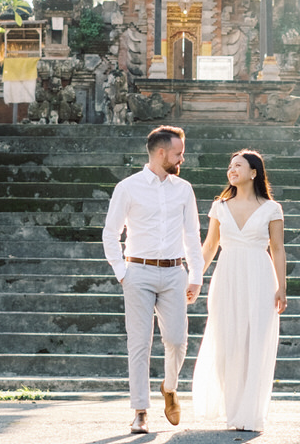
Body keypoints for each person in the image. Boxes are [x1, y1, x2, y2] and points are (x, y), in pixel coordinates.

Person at [101, 125, 204, 434]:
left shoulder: (183, 188)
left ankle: (169, 387)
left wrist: (196, 275)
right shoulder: (128, 187)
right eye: (178, 153)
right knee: (139, 343)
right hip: (138, 272)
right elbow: (110, 233)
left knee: (177, 340)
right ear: (162, 153)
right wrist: (122, 273)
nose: (182, 159)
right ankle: (140, 411)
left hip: (174, 273)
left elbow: (192, 234)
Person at [191, 149, 287, 432]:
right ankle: (234, 411)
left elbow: (278, 249)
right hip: (227, 276)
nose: (231, 170)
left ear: (254, 172)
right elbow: (209, 247)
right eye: (230, 166)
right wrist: (195, 279)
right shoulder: (220, 206)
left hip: (260, 275)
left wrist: (282, 287)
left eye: (238, 166)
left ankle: (251, 412)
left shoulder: (272, 208)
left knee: (255, 341)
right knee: (227, 341)